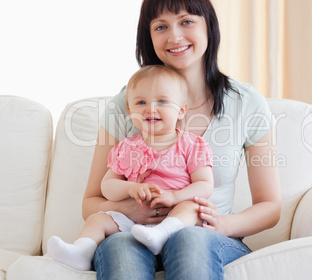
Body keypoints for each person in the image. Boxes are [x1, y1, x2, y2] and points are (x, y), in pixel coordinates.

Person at [83, 0, 282, 279]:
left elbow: (270, 206)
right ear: (148, 37)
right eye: (161, 26)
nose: (175, 36)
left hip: (206, 236)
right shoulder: (124, 104)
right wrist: (129, 211)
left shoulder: (246, 103)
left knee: (190, 238)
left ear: (208, 27)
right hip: (135, 232)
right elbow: (91, 203)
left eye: (187, 21)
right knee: (122, 244)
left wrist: (221, 224)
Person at [47, 65, 214, 271]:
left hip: (177, 220)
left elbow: (205, 185)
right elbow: (107, 185)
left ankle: (161, 234)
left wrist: (174, 196)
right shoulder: (126, 147)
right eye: (141, 102)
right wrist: (130, 189)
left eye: (162, 101)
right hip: (134, 223)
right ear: (130, 110)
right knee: (98, 218)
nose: (150, 108)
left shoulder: (192, 144)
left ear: (181, 110)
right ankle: (82, 251)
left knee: (194, 207)